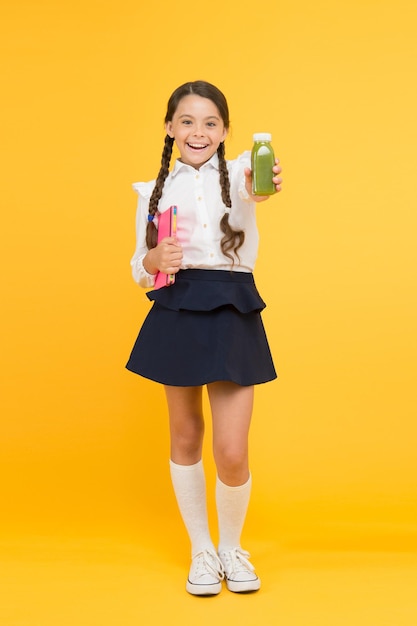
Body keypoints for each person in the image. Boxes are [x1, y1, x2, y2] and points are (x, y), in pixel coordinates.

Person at [126, 80, 282, 596]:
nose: (199, 131)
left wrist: (264, 180)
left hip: (233, 303)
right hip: (179, 307)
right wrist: (151, 261)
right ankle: (202, 550)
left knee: (232, 449)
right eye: (187, 121)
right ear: (170, 128)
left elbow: (258, 188)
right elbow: (138, 268)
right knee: (187, 435)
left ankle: (233, 548)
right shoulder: (152, 193)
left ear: (225, 130)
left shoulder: (240, 173)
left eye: (211, 122)